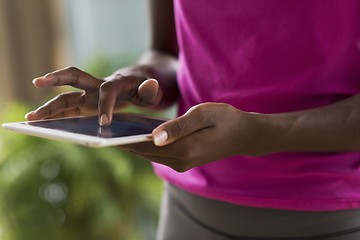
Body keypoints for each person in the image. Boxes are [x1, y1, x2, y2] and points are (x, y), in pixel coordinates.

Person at [26, 0, 360, 239]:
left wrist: (255, 134)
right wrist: (139, 79)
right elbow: (167, 53)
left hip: (332, 217)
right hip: (187, 213)